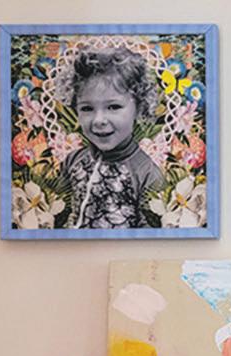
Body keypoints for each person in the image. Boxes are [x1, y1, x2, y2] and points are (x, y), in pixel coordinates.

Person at [60, 47, 164, 228]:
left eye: (114, 107)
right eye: (87, 108)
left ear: (139, 108)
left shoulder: (147, 174)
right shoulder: (73, 161)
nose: (99, 120)